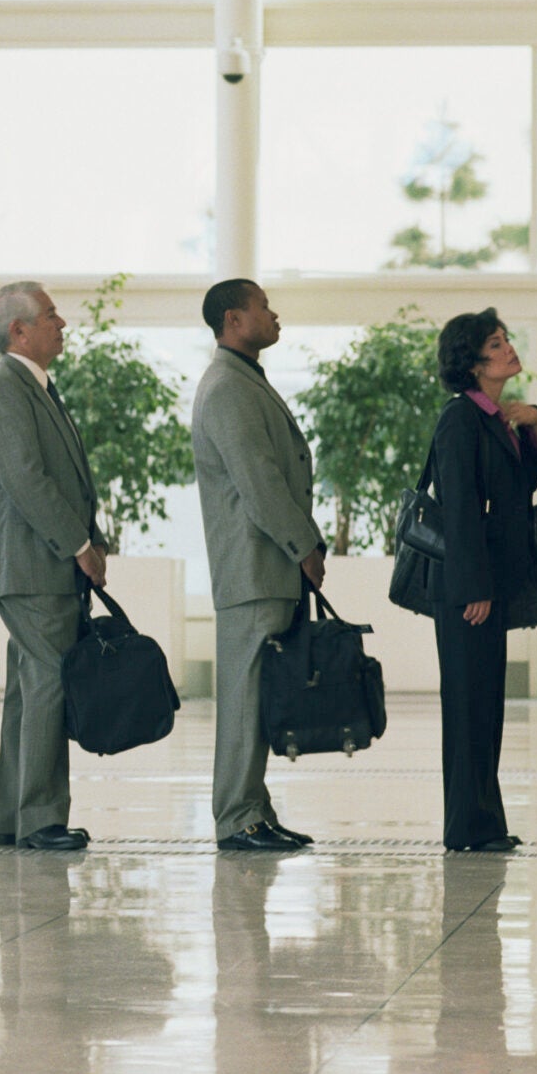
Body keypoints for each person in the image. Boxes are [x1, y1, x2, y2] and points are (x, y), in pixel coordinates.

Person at [0, 280, 107, 853]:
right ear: (19, 330)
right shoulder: (4, 390)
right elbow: (28, 481)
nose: (63, 323)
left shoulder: (37, 389)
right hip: (31, 567)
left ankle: (15, 816)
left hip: (41, 567)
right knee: (48, 683)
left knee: (29, 691)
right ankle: (42, 819)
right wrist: (78, 544)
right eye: (51, 315)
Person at [190, 279, 325, 852]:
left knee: (259, 693)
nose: (274, 315)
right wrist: (304, 544)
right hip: (254, 566)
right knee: (245, 696)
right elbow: (259, 481)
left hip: (265, 567)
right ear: (233, 320)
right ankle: (237, 818)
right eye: (263, 307)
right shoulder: (226, 387)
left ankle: (254, 809)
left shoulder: (243, 380)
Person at [428, 309, 537, 855]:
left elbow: (520, 486)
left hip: (486, 587)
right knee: (468, 706)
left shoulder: (492, 418)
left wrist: (536, 422)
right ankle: (466, 828)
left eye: (505, 340)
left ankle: (483, 823)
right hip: (468, 592)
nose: (508, 349)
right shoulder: (461, 418)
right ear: (472, 361)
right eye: (497, 343)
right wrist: (472, 587)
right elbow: (457, 506)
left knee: (485, 704)